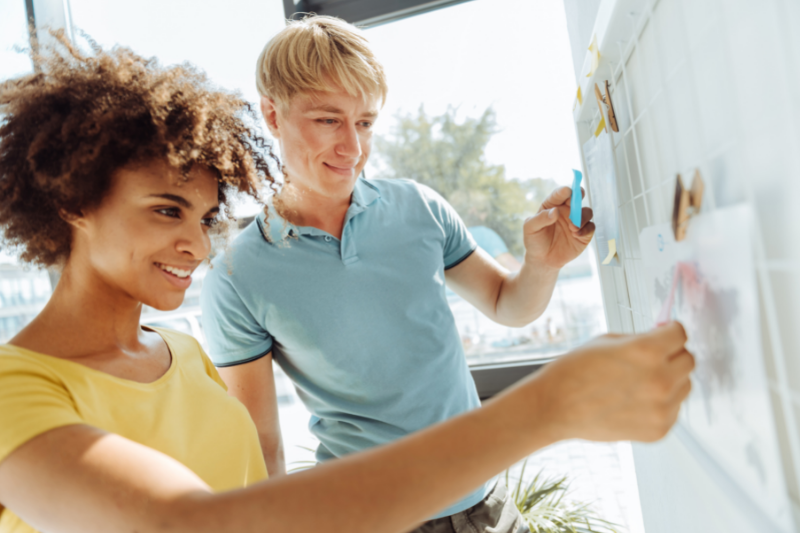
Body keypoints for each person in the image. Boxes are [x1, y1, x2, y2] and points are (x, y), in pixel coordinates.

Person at [0, 31, 693, 533]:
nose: (198, 243)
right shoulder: (17, 390)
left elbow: (248, 476)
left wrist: (539, 266)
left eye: (208, 215)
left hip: (475, 500)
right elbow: (192, 519)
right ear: (72, 200)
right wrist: (548, 408)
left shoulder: (180, 356)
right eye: (166, 210)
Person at [199, 15, 644, 532]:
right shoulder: (237, 273)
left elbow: (508, 305)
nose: (353, 147)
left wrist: (541, 265)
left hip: (490, 503)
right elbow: (260, 443)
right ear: (273, 115)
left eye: (364, 122)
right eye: (327, 120)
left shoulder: (419, 207)